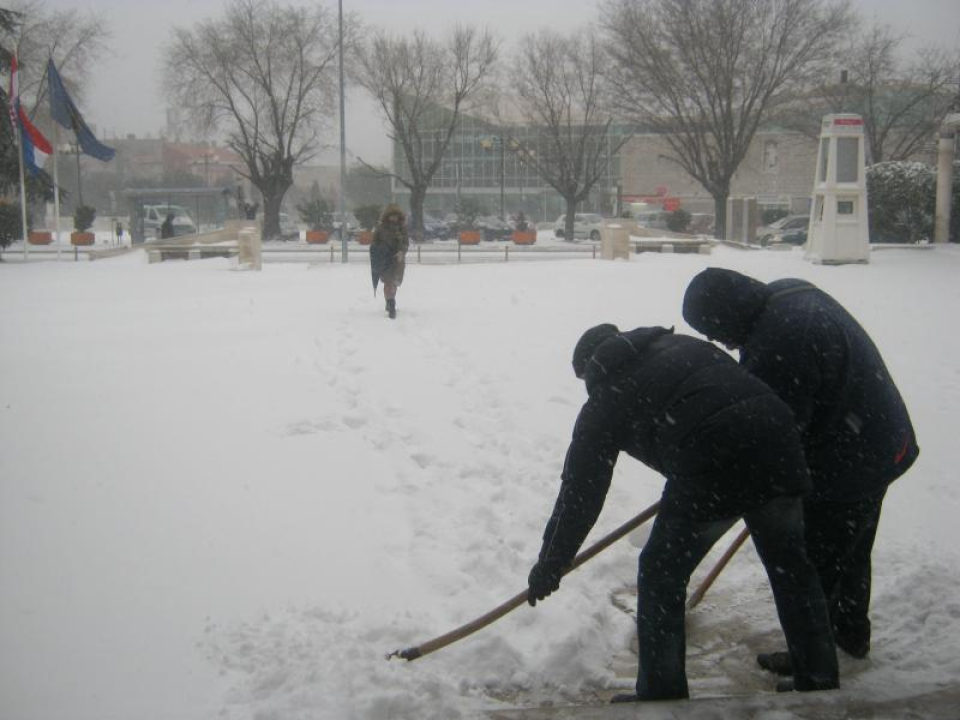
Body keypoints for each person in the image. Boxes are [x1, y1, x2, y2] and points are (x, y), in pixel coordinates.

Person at [528, 324, 839, 702]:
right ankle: (818, 674)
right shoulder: (681, 344)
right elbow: (735, 395)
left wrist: (551, 562)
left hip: (711, 464)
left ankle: (661, 691)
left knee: (661, 573)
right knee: (791, 565)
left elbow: (580, 493)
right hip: (778, 439)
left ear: (589, 369)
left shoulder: (604, 402)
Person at [682, 268, 919, 675]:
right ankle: (849, 633)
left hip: (850, 458)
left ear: (728, 315)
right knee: (852, 546)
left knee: (814, 563)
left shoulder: (780, 341)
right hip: (882, 441)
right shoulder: (787, 296)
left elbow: (779, 435)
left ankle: (813, 660)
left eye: (716, 331)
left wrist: (739, 479)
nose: (719, 342)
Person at [370, 203, 409, 319]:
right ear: (387, 216)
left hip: (398, 260)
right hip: (385, 260)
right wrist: (380, 251)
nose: (394, 218)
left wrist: (402, 252)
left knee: (395, 282)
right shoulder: (380, 229)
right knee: (388, 282)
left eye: (396, 215)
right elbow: (374, 244)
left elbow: (406, 243)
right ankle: (391, 302)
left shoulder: (402, 229)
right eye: (392, 215)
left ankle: (390, 299)